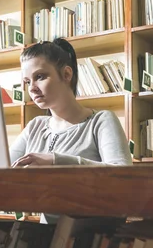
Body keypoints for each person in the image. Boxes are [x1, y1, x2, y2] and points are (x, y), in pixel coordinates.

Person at [9, 37, 132, 168]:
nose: (32, 88)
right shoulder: (35, 126)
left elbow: (123, 173)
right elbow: (1, 168)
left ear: (67, 74)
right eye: (28, 81)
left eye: (39, 77)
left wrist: (55, 160)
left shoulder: (100, 121)